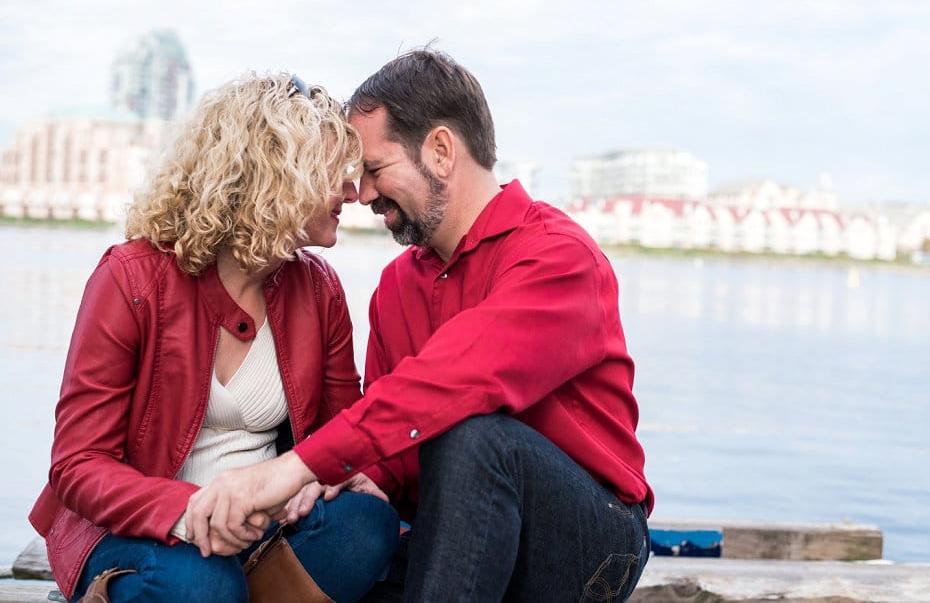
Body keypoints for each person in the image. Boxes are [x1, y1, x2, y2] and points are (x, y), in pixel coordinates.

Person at [186, 49, 654, 602]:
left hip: (585, 543)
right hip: (458, 538)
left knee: (475, 435)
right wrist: (364, 477)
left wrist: (290, 468)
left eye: (374, 169)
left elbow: (458, 380)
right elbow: (397, 443)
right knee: (346, 548)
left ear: (439, 151)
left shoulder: (558, 257)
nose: (360, 195)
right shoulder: (396, 288)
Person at [28, 72, 400, 603]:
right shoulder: (131, 279)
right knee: (202, 580)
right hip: (136, 530)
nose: (352, 191)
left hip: (263, 530)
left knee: (366, 526)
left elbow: (340, 435)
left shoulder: (320, 290)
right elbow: (77, 465)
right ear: (276, 175)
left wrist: (326, 477)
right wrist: (189, 512)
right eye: (332, 171)